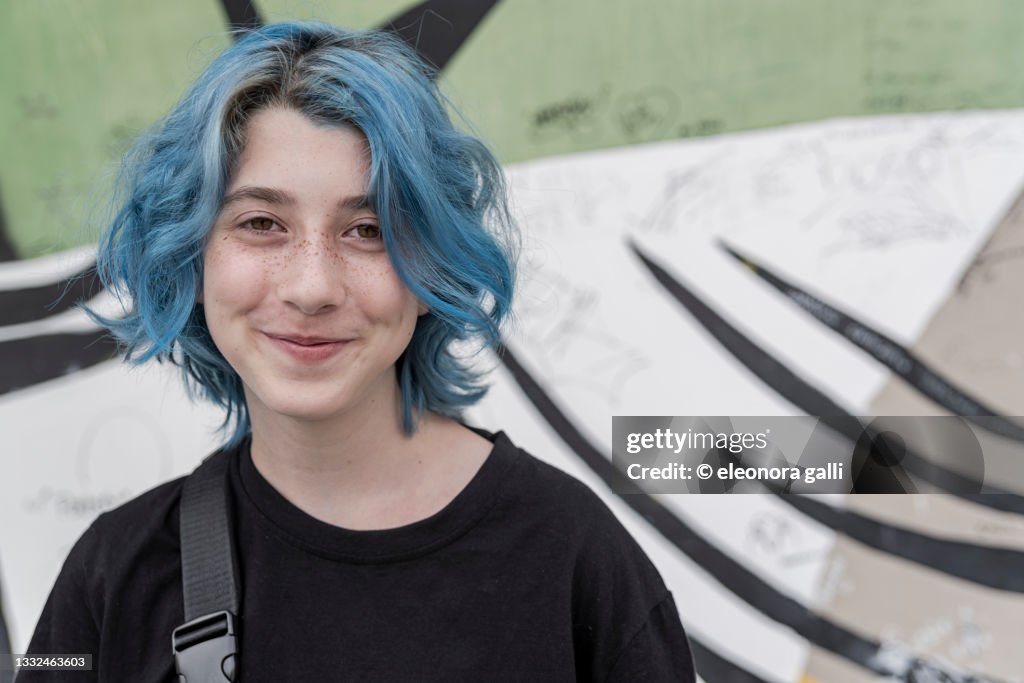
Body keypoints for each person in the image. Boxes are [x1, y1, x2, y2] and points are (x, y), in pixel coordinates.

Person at [22, 21, 696, 682]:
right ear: (193, 258)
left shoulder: (573, 555)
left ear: (433, 268)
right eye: (261, 223)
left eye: (368, 230)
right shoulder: (109, 578)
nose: (312, 286)